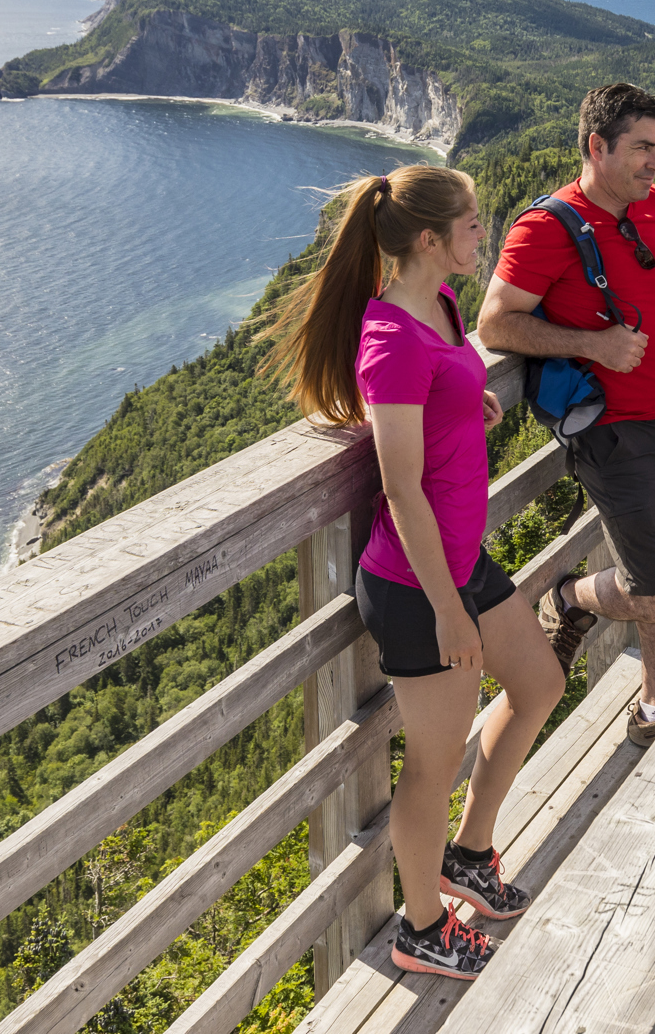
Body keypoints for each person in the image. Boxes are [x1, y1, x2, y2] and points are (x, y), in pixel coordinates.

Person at [266, 166, 565, 982]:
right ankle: (423, 927)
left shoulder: (441, 306)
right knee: (433, 766)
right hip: (416, 586)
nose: (483, 232)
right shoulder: (391, 339)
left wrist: (472, 404)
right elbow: (399, 487)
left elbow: (444, 393)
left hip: (459, 561)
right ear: (430, 239)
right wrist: (448, 611)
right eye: (471, 223)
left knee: (539, 681)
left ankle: (468, 856)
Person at [477, 83, 655, 746]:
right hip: (612, 434)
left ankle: (653, 704)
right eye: (642, 148)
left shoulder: (653, 205)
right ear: (597, 146)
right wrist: (593, 344)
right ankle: (571, 601)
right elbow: (494, 322)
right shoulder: (547, 227)